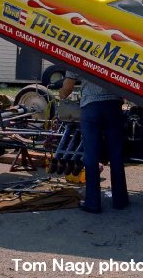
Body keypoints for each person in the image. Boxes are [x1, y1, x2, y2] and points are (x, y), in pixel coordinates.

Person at [59, 71, 129, 213]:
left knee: (91, 155)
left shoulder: (79, 52)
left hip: (91, 107)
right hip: (113, 106)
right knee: (116, 154)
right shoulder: (115, 50)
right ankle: (120, 200)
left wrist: (61, 95)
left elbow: (67, 87)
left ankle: (92, 203)